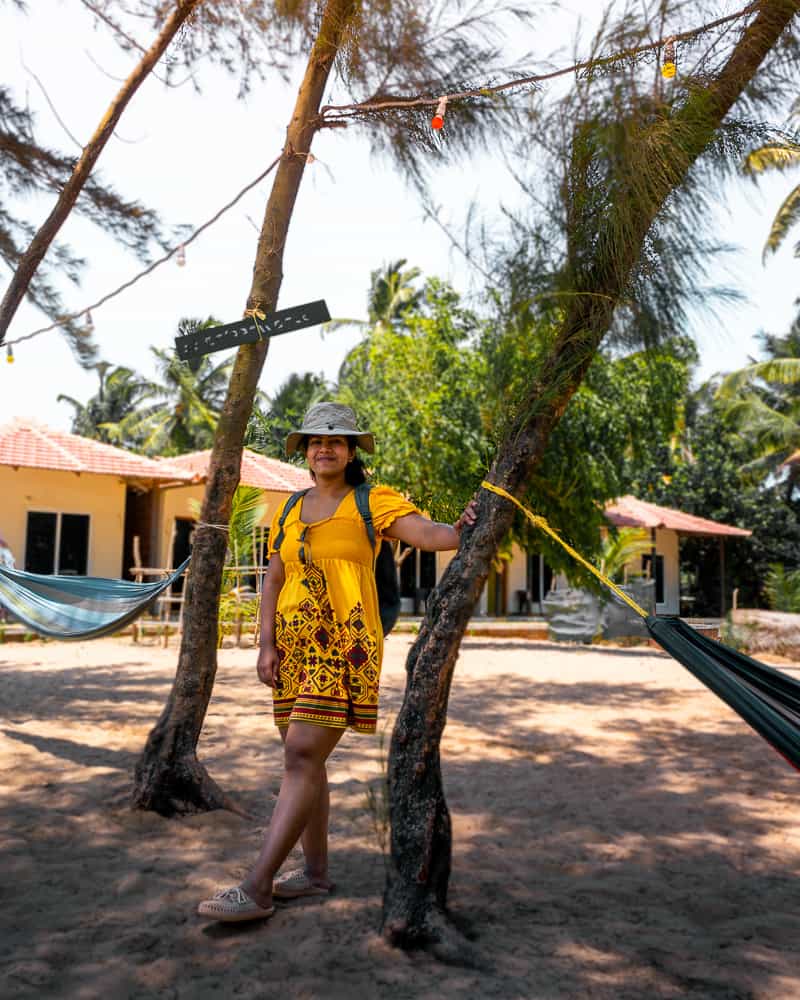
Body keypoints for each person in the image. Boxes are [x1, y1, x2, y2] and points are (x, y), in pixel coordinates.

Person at [198, 402, 477, 923]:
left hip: (344, 644)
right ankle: (315, 874)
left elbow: (436, 536)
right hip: (293, 645)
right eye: (314, 441)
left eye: (335, 441)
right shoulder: (289, 508)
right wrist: (265, 644)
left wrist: (462, 524)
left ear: (351, 452)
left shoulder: (373, 502)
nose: (324, 448)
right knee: (307, 761)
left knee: (302, 753)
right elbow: (273, 580)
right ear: (304, 452)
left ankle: (257, 886)